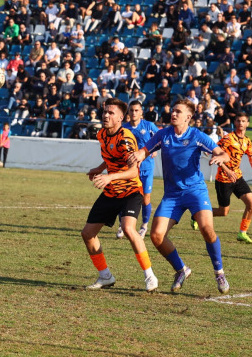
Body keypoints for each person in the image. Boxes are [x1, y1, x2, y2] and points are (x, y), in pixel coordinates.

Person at [129, 100, 234, 294]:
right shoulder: (164, 134)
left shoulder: (197, 136)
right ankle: (181, 270)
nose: (173, 113)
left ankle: (219, 272)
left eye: (178, 111)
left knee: (206, 229)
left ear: (188, 117)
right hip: (172, 195)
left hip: (195, 191)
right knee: (156, 236)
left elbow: (223, 154)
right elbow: (146, 150)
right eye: (173, 110)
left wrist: (220, 158)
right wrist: (139, 154)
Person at [82, 98, 158, 292]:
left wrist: (109, 177)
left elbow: (134, 171)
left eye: (111, 113)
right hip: (111, 191)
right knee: (88, 234)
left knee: (128, 228)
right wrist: (99, 169)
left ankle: (149, 275)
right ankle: (105, 276)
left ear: (120, 118)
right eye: (105, 112)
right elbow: (111, 157)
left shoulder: (126, 138)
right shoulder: (102, 134)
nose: (106, 115)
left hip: (131, 190)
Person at [212, 113, 252, 244]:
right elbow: (215, 153)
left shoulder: (247, 141)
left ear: (247, 123)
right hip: (223, 178)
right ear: (235, 123)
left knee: (251, 204)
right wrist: (228, 171)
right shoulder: (228, 138)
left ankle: (242, 233)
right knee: (223, 212)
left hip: (237, 177)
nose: (241, 123)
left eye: (243, 121)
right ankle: (197, 215)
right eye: (238, 121)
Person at [120, 101, 159, 239]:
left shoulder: (149, 126)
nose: (134, 113)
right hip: (130, 168)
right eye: (131, 110)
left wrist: (154, 150)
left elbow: (160, 139)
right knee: (125, 195)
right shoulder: (124, 129)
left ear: (141, 112)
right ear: (128, 112)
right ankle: (122, 225)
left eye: (136, 110)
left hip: (146, 167)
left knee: (146, 198)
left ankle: (144, 226)